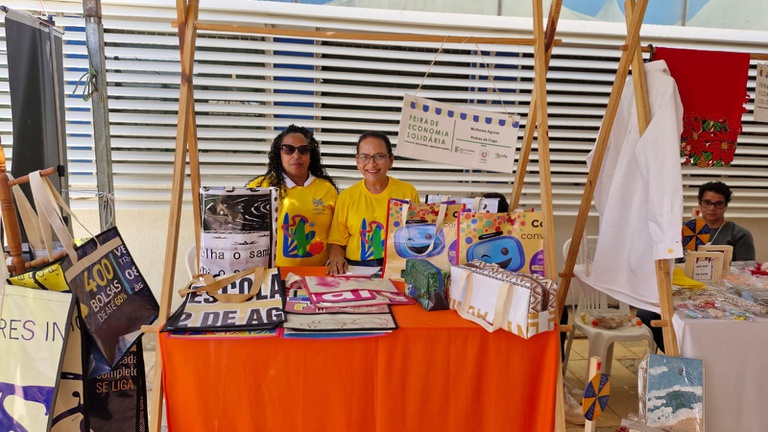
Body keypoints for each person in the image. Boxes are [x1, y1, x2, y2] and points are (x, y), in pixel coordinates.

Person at [638, 180, 755, 352]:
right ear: (700, 203)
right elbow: (669, 263)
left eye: (718, 204)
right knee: (646, 313)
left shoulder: (739, 234)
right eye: (707, 202)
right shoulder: (682, 231)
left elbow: (745, 271)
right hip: (681, 293)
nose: (712, 208)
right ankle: (678, 353)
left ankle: (708, 354)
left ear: (725, 205)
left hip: (723, 296)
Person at [327, 131, 420, 274]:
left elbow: (417, 235)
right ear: (357, 161)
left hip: (397, 267)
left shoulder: (407, 192)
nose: (372, 164)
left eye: (379, 156)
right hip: (356, 268)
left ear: (391, 160)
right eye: (364, 157)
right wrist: (336, 258)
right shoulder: (347, 197)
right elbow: (337, 242)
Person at [247, 125, 339, 267]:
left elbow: (337, 234)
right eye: (289, 149)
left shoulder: (327, 189)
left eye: (303, 150)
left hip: (319, 273)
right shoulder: (260, 187)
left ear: (311, 156)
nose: (296, 156)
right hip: (272, 274)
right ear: (279, 154)